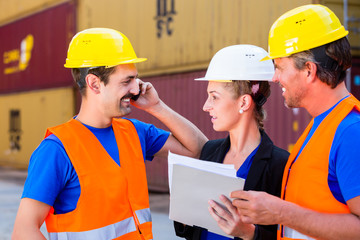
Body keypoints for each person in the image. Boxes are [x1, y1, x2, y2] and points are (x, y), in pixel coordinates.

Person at [12, 28, 208, 240]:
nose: (136, 89)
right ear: (94, 83)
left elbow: (198, 150)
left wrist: (157, 106)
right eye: (127, 81)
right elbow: (24, 231)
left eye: (136, 79)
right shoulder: (56, 150)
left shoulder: (135, 132)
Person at [230, 4, 360, 240]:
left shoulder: (351, 133)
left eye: (279, 67)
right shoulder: (322, 125)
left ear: (309, 70)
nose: (275, 77)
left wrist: (281, 212)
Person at [174, 44, 289, 240]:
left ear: (243, 103)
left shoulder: (280, 165)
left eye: (214, 97)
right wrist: (183, 211)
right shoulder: (209, 151)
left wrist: (248, 233)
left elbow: (286, 235)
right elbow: (193, 231)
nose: (205, 106)